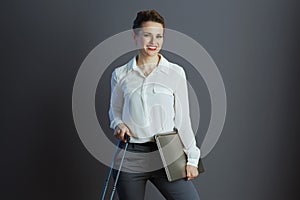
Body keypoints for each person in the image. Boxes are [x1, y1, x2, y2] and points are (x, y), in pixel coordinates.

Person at [108, 10, 201, 200]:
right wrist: (118, 124)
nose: (153, 41)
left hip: (167, 153)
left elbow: (183, 120)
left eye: (159, 36)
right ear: (135, 36)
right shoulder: (120, 74)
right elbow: (114, 110)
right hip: (130, 155)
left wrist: (192, 158)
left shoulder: (175, 72)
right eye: (147, 35)